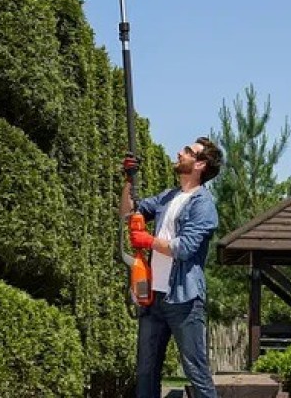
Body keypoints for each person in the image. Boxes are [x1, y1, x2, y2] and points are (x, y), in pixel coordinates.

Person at [121, 137, 223, 398]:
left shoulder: (203, 205)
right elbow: (127, 212)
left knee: (196, 372)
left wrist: (148, 240)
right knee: (145, 372)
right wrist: (129, 179)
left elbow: (185, 247)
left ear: (200, 164)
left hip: (184, 300)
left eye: (188, 151)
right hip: (153, 297)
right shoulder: (168, 197)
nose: (180, 152)